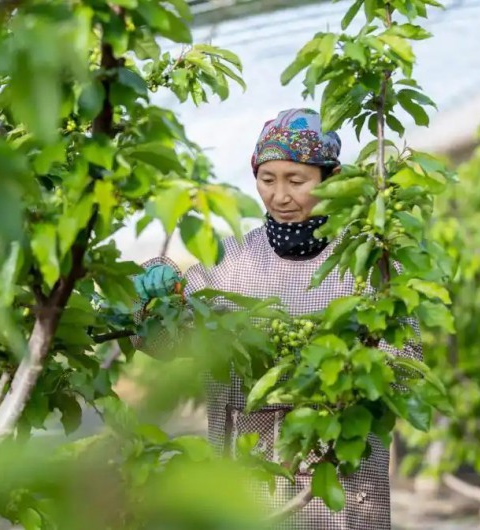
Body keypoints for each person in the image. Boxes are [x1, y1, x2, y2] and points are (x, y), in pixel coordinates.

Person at [130, 108, 422, 530]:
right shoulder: (230, 262)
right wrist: (152, 300)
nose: (279, 196)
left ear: (331, 178)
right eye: (267, 180)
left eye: (296, 181)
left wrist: (331, 375)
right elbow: (159, 343)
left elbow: (402, 367)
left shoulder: (365, 264)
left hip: (339, 485)